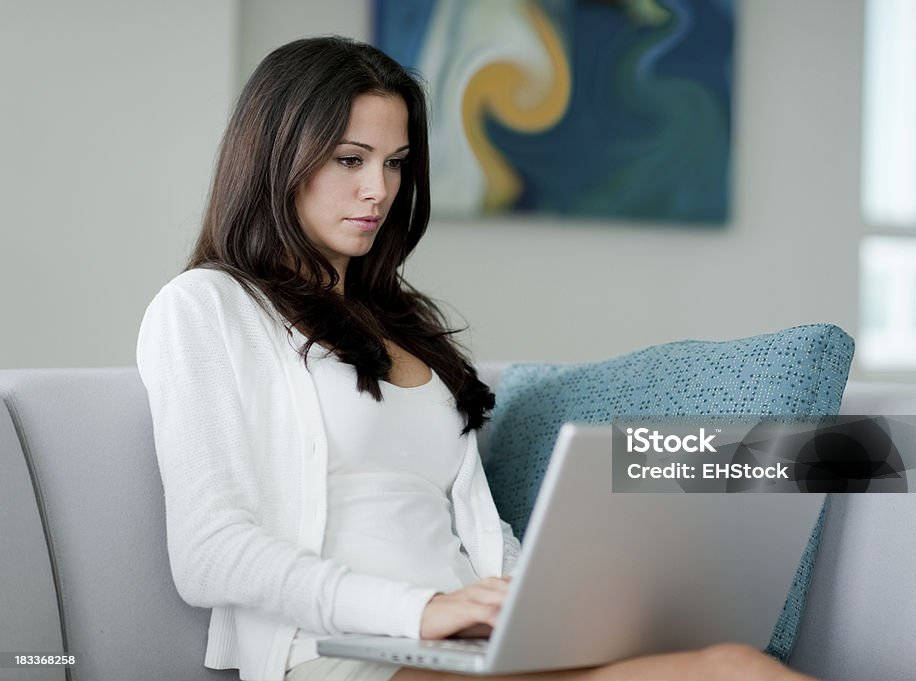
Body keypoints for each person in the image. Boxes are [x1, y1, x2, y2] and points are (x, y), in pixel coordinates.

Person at [136, 36, 818, 681]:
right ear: (274, 157)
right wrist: (424, 611)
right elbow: (208, 552)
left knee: (733, 662)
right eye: (351, 159)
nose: (379, 188)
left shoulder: (403, 325)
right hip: (343, 657)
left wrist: (537, 606)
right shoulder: (205, 306)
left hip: (470, 650)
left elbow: (477, 533)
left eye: (395, 162)